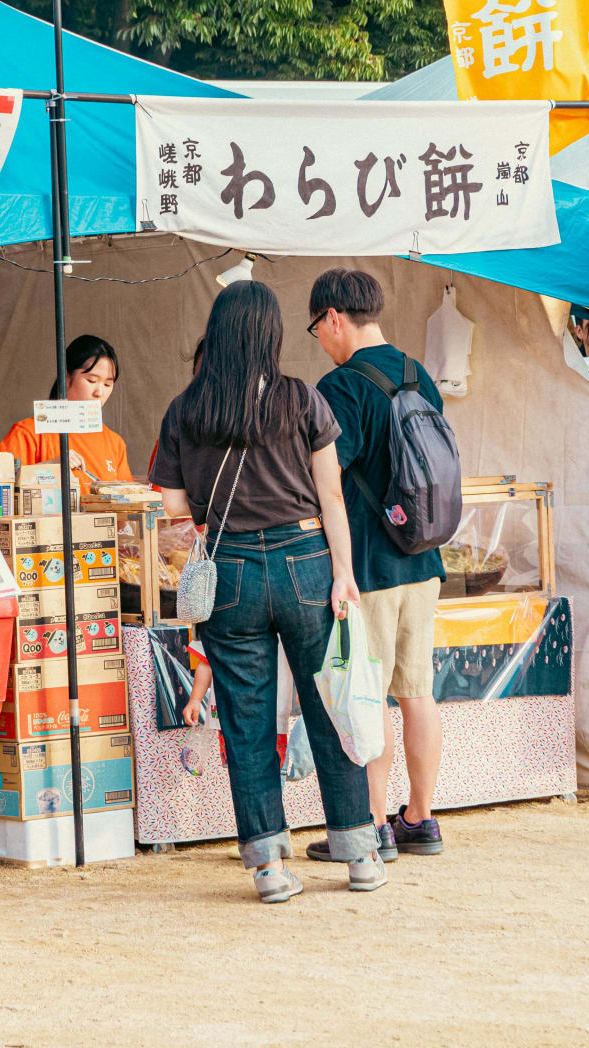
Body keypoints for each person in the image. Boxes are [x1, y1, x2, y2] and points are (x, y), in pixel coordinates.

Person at [150, 280, 381, 902]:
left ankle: (268, 868)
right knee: (328, 707)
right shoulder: (301, 399)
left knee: (247, 721)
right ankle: (359, 852)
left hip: (229, 574)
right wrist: (344, 574)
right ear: (271, 334)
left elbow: (173, 512)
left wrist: (203, 534)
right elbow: (331, 495)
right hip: (306, 560)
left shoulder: (185, 410)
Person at [309, 268, 448, 861]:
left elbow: (328, 482)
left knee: (368, 696)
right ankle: (420, 817)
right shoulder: (418, 375)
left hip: (368, 564)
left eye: (317, 327)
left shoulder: (342, 385)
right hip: (425, 558)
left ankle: (371, 825)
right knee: (417, 693)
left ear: (334, 317)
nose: (319, 338)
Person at [0, 334, 132, 486]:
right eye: (92, 380)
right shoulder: (28, 433)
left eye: (108, 384)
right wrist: (49, 467)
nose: (99, 393)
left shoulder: (115, 443)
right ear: (66, 379)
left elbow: (126, 498)